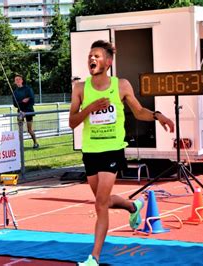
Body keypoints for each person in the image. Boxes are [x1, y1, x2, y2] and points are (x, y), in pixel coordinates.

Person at [69, 40, 175, 266]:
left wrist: (159, 116)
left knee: (99, 205)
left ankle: (94, 258)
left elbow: (138, 112)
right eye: (90, 56)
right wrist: (90, 108)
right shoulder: (79, 88)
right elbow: (72, 122)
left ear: (108, 62)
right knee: (103, 201)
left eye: (97, 56)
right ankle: (132, 206)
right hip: (91, 151)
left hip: (112, 149)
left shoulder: (121, 85)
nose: (92, 59)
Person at [13, 74, 39, 149]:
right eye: (16, 80)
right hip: (20, 112)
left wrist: (26, 108)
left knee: (29, 130)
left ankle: (35, 143)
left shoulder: (28, 89)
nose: (17, 81)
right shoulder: (15, 92)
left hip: (29, 111)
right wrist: (22, 102)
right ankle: (21, 146)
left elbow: (32, 100)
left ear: (22, 80)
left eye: (18, 79)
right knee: (20, 130)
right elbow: (15, 104)